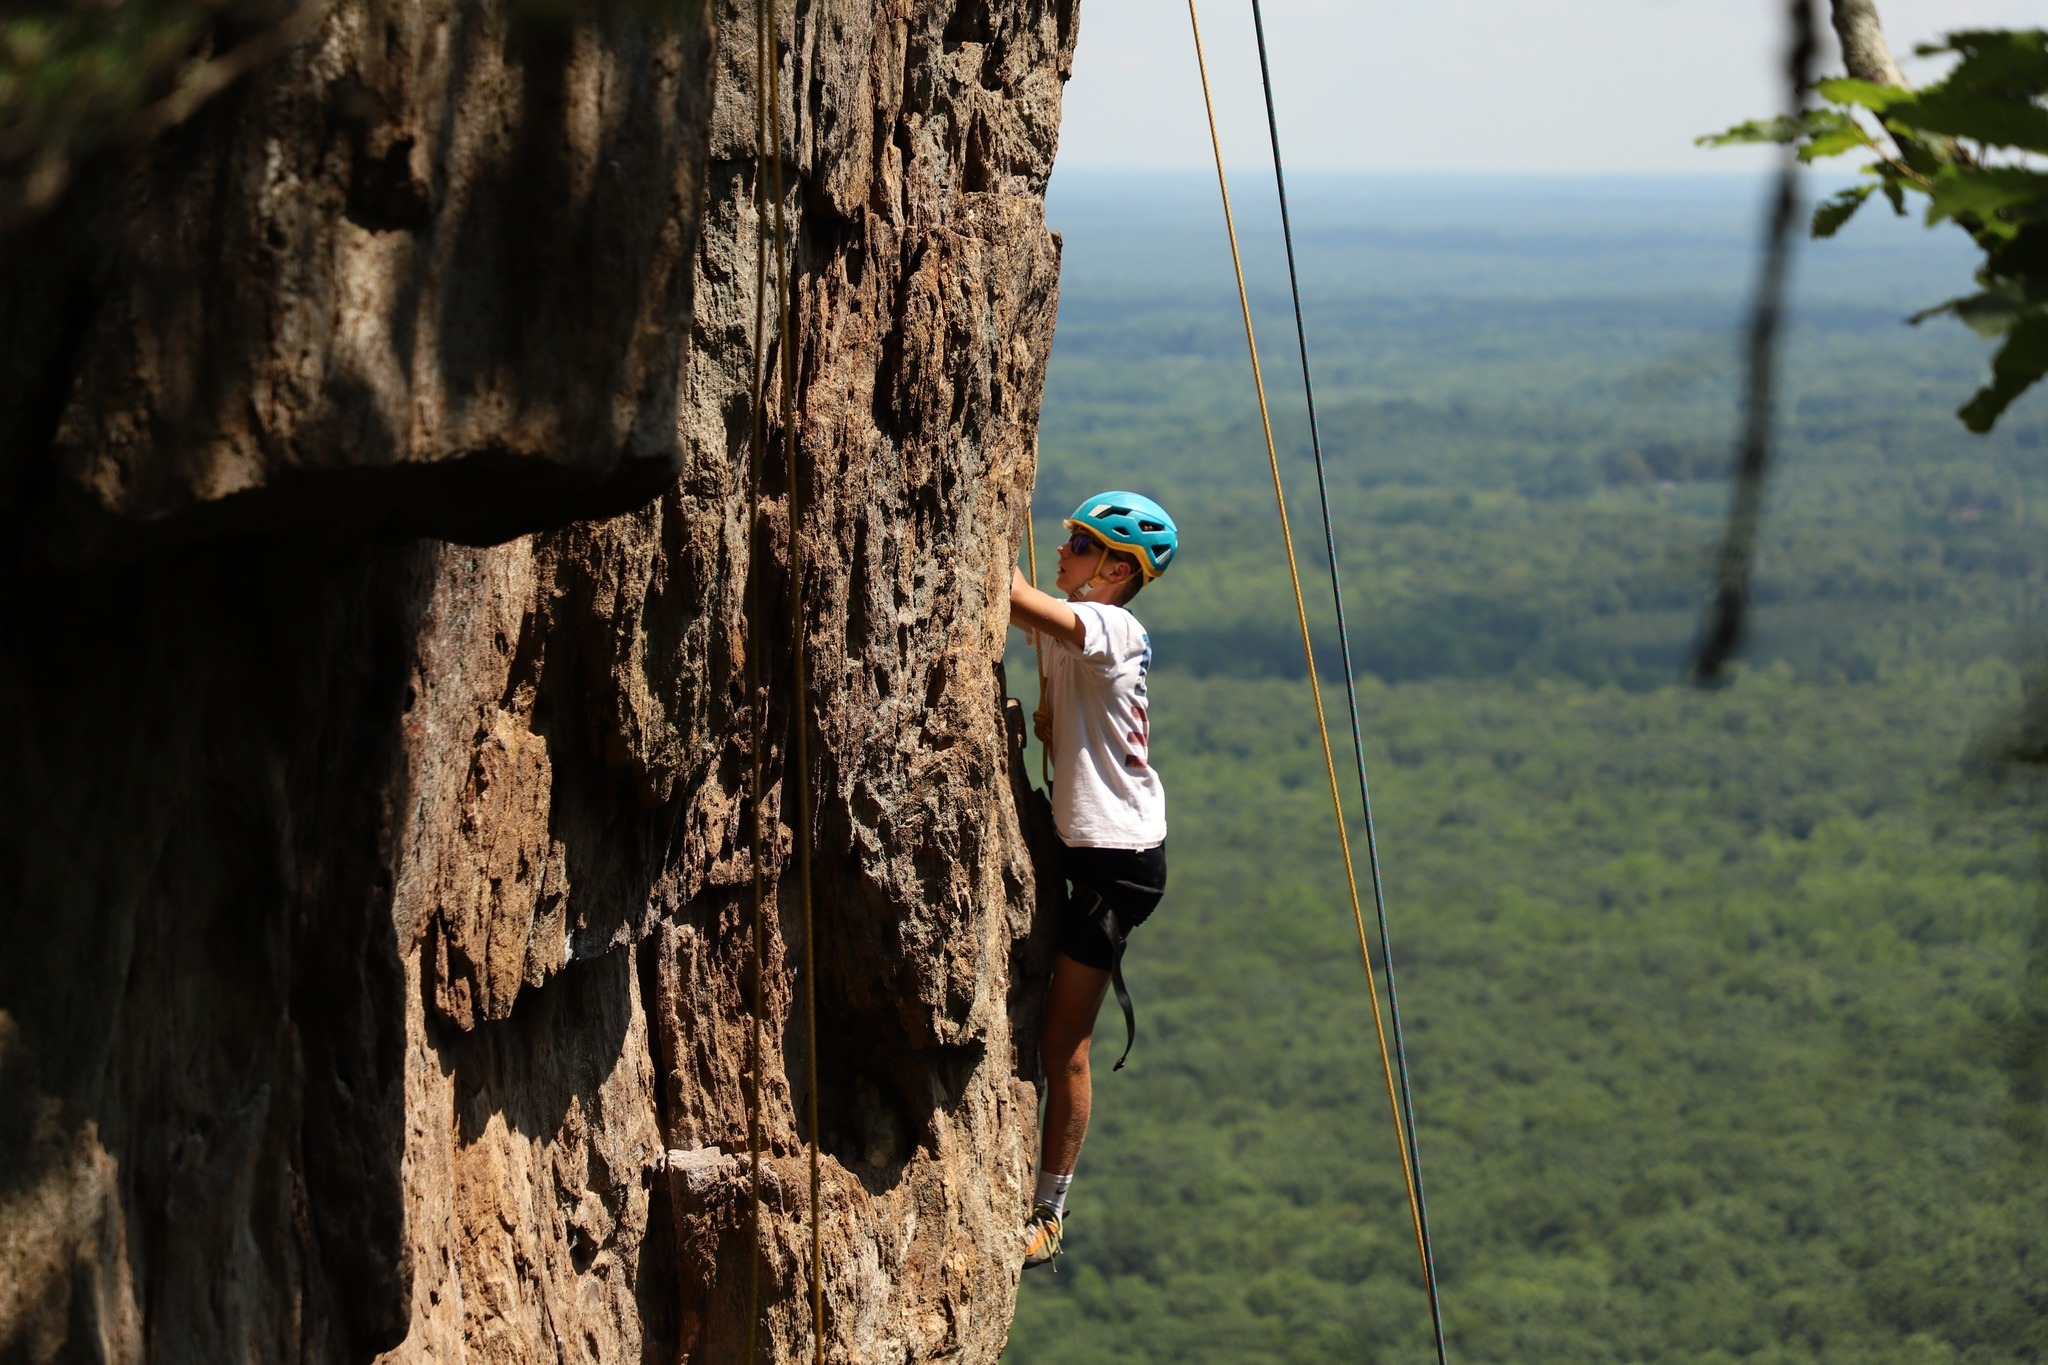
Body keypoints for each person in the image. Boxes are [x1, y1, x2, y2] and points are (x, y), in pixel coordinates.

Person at [1007, 491, 1178, 1271]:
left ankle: (1050, 1210)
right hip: (1091, 847)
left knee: (1060, 1039)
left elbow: (1010, 600)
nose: (1062, 548)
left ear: (1114, 569)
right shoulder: (1076, 619)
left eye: (1078, 542)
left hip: (1122, 861)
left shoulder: (1114, 625)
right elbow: (1049, 682)